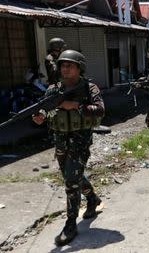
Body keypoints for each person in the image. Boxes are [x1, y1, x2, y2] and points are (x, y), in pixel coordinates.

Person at [32, 50, 104, 246]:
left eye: (69, 65)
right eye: (63, 65)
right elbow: (44, 110)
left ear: (79, 68)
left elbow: (100, 110)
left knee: (71, 181)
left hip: (80, 140)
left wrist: (77, 106)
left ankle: (71, 224)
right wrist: (40, 117)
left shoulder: (89, 88)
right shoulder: (53, 90)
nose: (65, 68)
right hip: (61, 140)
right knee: (72, 177)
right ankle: (92, 198)